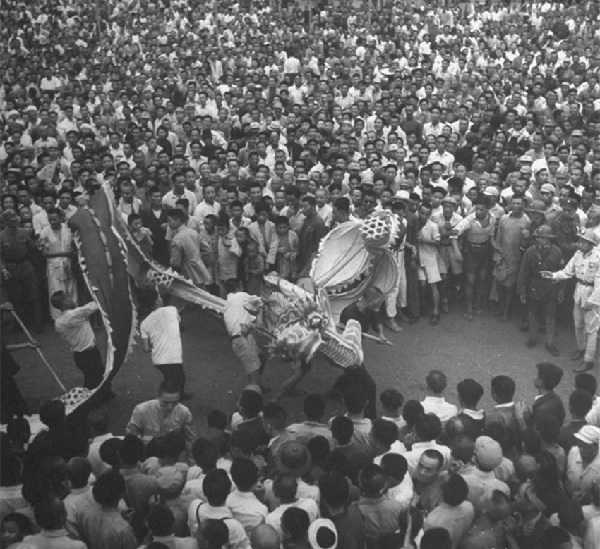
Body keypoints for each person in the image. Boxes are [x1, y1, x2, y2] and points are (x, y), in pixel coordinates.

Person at [541, 228, 600, 372]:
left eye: (585, 242)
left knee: (591, 330)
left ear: (592, 244)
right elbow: (568, 271)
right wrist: (553, 275)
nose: (581, 244)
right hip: (579, 290)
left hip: (592, 292)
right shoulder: (578, 254)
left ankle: (588, 360)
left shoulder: (598, 257)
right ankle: (581, 348)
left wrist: (593, 300)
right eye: (581, 241)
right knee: (578, 324)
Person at [51, 291, 113, 399]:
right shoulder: (74, 315)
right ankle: (89, 401)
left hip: (79, 355)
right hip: (88, 353)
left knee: (97, 374)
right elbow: (94, 305)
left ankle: (106, 394)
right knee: (92, 379)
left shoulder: (58, 323)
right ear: (64, 303)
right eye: (68, 297)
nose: (72, 299)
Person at [517, 225, 564, 356]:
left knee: (550, 316)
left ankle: (550, 343)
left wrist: (561, 290)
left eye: (542, 238)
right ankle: (533, 338)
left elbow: (562, 272)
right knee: (533, 314)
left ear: (549, 239)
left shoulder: (557, 252)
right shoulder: (530, 252)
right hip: (534, 286)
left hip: (551, 287)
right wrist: (522, 290)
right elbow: (523, 272)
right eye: (538, 238)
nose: (539, 240)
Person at [139, 286, 191, 399]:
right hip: (172, 357)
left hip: (158, 360)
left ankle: (175, 396)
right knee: (177, 379)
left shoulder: (144, 323)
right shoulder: (171, 310)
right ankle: (168, 398)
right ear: (157, 300)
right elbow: (178, 323)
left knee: (172, 378)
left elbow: (146, 348)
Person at [126, 380, 196, 456]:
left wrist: (191, 465)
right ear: (157, 396)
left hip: (173, 457)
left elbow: (190, 440)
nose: (170, 407)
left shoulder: (184, 413)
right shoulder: (141, 410)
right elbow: (131, 434)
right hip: (146, 453)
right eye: (165, 402)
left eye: (175, 402)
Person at [1, 209, 42, 331]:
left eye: (15, 220)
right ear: (5, 222)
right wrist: (3, 269)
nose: (14, 222)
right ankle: (22, 325)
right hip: (11, 268)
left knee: (33, 296)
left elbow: (33, 248)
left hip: (26, 266)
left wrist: (38, 244)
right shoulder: (1, 236)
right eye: (11, 220)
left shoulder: (25, 233)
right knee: (17, 298)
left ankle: (38, 323)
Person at [223, 278, 266, 386]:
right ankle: (252, 394)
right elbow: (260, 301)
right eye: (241, 285)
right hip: (242, 338)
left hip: (241, 338)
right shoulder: (241, 296)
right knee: (254, 376)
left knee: (262, 357)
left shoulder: (228, 303)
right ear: (238, 287)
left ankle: (258, 386)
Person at [38, 207, 77, 320]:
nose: (52, 222)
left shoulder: (68, 229)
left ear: (60, 218)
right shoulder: (45, 232)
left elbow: (74, 248)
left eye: (54, 219)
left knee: (71, 290)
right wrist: (64, 253)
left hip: (68, 264)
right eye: (50, 220)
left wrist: (69, 255)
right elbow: (44, 253)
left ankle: (74, 316)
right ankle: (59, 318)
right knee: (57, 292)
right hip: (54, 267)